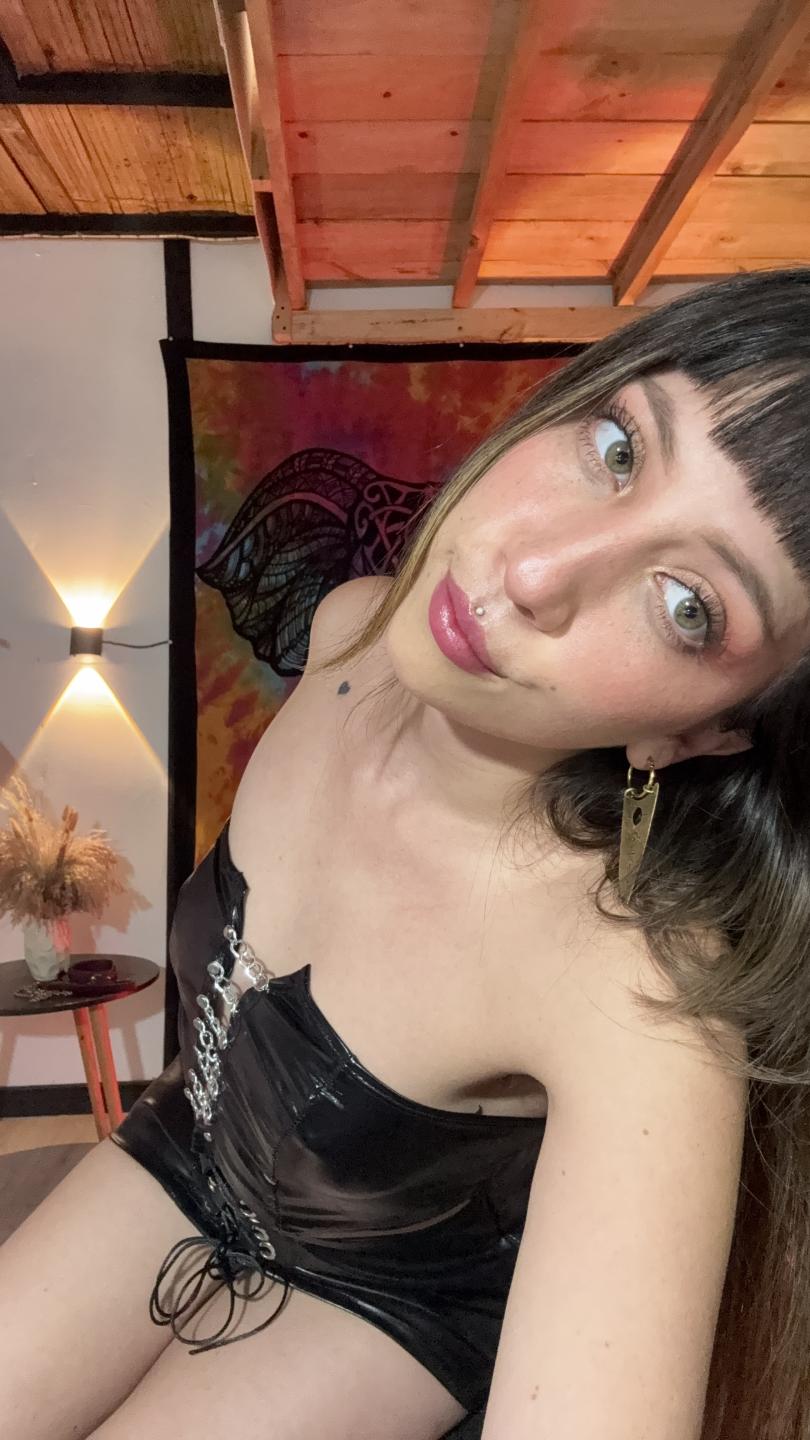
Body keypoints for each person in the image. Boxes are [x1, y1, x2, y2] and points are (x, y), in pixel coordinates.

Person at [2, 268, 810, 1440]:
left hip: (389, 1300)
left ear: (712, 729)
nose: (534, 573)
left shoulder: (638, 993)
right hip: (188, 1143)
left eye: (690, 606)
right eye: (618, 447)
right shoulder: (351, 628)